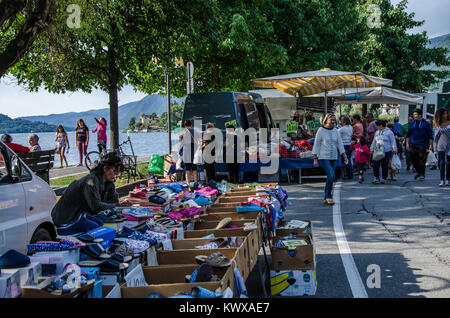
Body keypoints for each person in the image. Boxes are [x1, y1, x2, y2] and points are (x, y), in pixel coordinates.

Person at [51, 152, 131, 235]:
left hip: (81, 216)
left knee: (108, 225)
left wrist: (115, 200)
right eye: (114, 171)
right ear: (105, 168)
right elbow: (96, 206)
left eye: (118, 172)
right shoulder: (91, 181)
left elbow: (114, 202)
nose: (116, 175)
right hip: (66, 220)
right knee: (99, 226)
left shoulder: (107, 183)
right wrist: (117, 205)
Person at [312, 114, 349, 205]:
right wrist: (315, 158)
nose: (333, 122)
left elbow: (340, 144)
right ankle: (329, 196)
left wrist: (344, 156)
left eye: (334, 120)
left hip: (333, 156)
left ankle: (326, 196)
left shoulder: (336, 131)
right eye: (331, 120)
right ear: (326, 120)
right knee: (331, 175)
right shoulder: (321, 130)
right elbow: (316, 144)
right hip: (324, 156)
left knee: (331, 177)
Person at [406, 109, 433, 181]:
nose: (414, 116)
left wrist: (431, 145)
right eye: (414, 115)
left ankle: (422, 174)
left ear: (420, 115)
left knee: (421, 160)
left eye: (415, 115)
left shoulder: (425, 124)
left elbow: (430, 135)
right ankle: (418, 172)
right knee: (413, 159)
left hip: (423, 145)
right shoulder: (412, 123)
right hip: (413, 144)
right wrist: (407, 143)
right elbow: (408, 134)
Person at [370, 120, 398, 184]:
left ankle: (384, 177)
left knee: (384, 165)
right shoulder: (377, 132)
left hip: (386, 151)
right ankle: (376, 177)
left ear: (381, 126)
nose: (376, 127)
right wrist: (371, 148)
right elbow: (374, 141)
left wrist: (394, 149)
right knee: (375, 164)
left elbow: (393, 141)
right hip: (377, 151)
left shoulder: (389, 132)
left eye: (377, 126)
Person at [179, 119, 200, 184]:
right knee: (194, 167)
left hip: (186, 150)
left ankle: (188, 183)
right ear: (191, 124)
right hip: (194, 149)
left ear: (185, 125)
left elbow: (180, 143)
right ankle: (196, 182)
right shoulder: (195, 131)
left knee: (187, 168)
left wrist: (179, 152)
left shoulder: (182, 132)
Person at [433, 108, 450, 186]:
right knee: (441, 162)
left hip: (449, 145)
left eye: (446, 114)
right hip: (441, 145)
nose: (445, 115)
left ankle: (448, 179)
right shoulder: (438, 125)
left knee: (448, 163)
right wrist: (435, 149)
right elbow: (436, 138)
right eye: (444, 114)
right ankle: (442, 179)